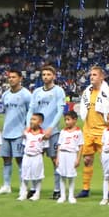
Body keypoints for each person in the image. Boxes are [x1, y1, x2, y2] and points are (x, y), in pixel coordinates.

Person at [77, 66, 109, 198]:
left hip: (103, 132)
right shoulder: (87, 92)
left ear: (102, 77)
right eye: (91, 75)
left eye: (95, 75)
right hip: (88, 131)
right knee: (87, 160)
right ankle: (85, 189)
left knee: (106, 162)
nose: (92, 77)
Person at [28, 64, 67, 199]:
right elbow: (31, 110)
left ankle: (57, 189)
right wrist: (29, 126)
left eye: (48, 74)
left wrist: (51, 127)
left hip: (52, 132)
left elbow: (60, 111)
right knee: (34, 160)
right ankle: (34, 188)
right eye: (44, 74)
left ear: (54, 76)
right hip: (37, 133)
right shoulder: (37, 92)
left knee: (55, 160)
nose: (45, 77)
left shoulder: (58, 91)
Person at [0, 69, 32, 196]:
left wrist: (27, 128)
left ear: (20, 78)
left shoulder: (26, 95)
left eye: (14, 77)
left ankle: (24, 186)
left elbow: (30, 112)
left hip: (19, 133)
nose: (11, 79)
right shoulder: (5, 95)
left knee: (20, 160)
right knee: (6, 159)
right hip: (6, 132)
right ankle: (6, 185)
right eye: (10, 77)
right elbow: (6, 112)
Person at [56, 111, 83, 205]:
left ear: (75, 120)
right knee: (62, 176)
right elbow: (59, 145)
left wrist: (78, 159)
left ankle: (71, 195)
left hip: (72, 154)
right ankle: (62, 196)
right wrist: (58, 157)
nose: (66, 122)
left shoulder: (78, 132)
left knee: (71, 176)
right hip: (63, 154)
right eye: (65, 120)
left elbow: (80, 146)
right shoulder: (63, 131)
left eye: (68, 119)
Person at [19, 113, 47, 201]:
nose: (31, 121)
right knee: (24, 175)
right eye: (31, 119)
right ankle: (23, 193)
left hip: (37, 156)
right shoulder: (27, 133)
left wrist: (39, 155)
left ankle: (37, 193)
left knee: (37, 175)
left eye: (34, 119)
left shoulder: (43, 135)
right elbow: (24, 144)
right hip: (27, 156)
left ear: (40, 122)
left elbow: (45, 147)